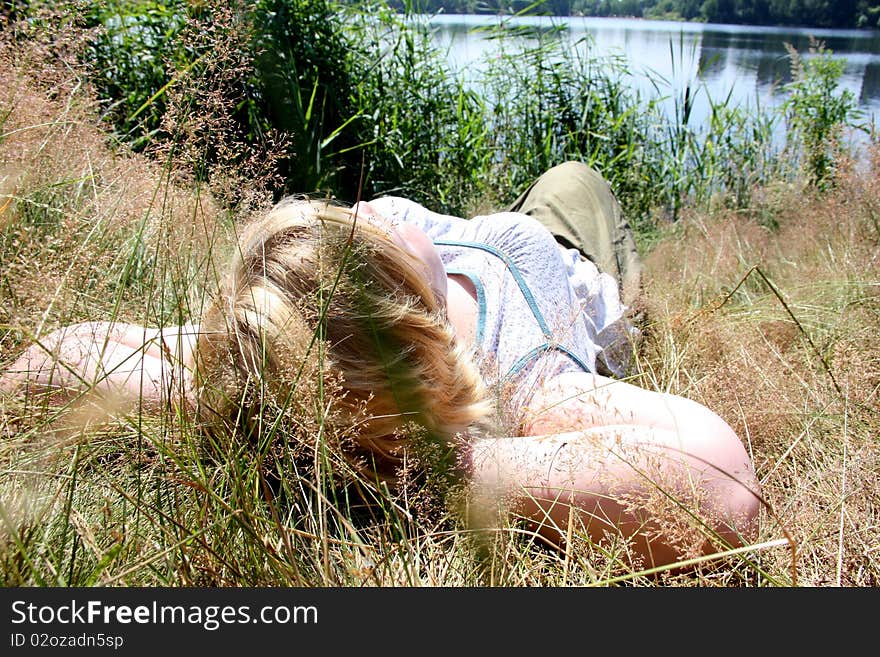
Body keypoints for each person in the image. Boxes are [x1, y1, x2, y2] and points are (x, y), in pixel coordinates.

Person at [0, 162, 760, 569]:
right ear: (413, 325)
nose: (373, 213)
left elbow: (44, 365)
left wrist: (221, 393)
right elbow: (720, 484)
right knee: (578, 176)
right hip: (574, 255)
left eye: (348, 220)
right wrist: (425, 463)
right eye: (373, 243)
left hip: (471, 251)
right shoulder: (533, 375)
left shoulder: (281, 341)